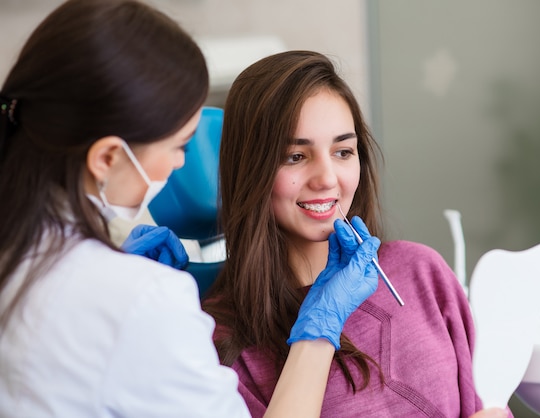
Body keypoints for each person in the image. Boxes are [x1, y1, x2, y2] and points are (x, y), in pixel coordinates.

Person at [0, 2, 380, 417]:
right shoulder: (144, 299)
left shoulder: (27, 261)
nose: (183, 165)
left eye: (344, 150)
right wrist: (318, 330)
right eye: (179, 146)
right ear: (108, 157)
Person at [203, 50, 512, 418]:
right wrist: (318, 330)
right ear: (250, 168)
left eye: (343, 151)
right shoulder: (218, 340)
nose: (327, 179)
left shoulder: (421, 272)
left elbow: (486, 404)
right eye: (295, 156)